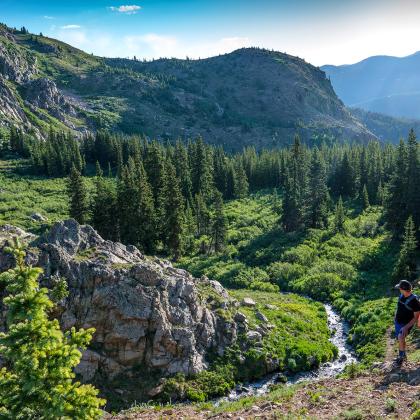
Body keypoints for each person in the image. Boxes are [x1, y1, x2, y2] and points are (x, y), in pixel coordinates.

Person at [394, 279, 420, 365]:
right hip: (398, 322)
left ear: (403, 289)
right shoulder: (402, 295)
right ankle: (403, 355)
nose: (399, 290)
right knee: (400, 338)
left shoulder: (415, 302)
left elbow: (416, 317)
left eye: (400, 288)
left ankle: (401, 357)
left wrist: (406, 327)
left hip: (405, 324)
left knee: (401, 337)